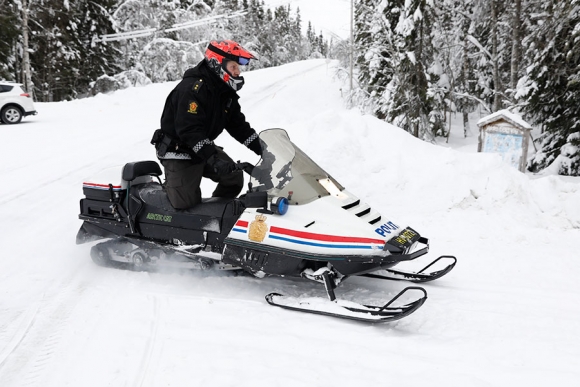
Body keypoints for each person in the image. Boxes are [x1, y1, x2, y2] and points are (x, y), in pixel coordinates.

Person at [152, 40, 262, 209]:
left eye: (238, 68)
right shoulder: (192, 90)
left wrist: (264, 149)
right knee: (185, 204)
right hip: (178, 150)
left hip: (201, 147)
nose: (238, 72)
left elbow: (238, 126)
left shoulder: (224, 92)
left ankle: (217, 215)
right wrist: (212, 159)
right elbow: (189, 131)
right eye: (234, 67)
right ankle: (163, 197)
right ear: (218, 64)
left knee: (233, 177)